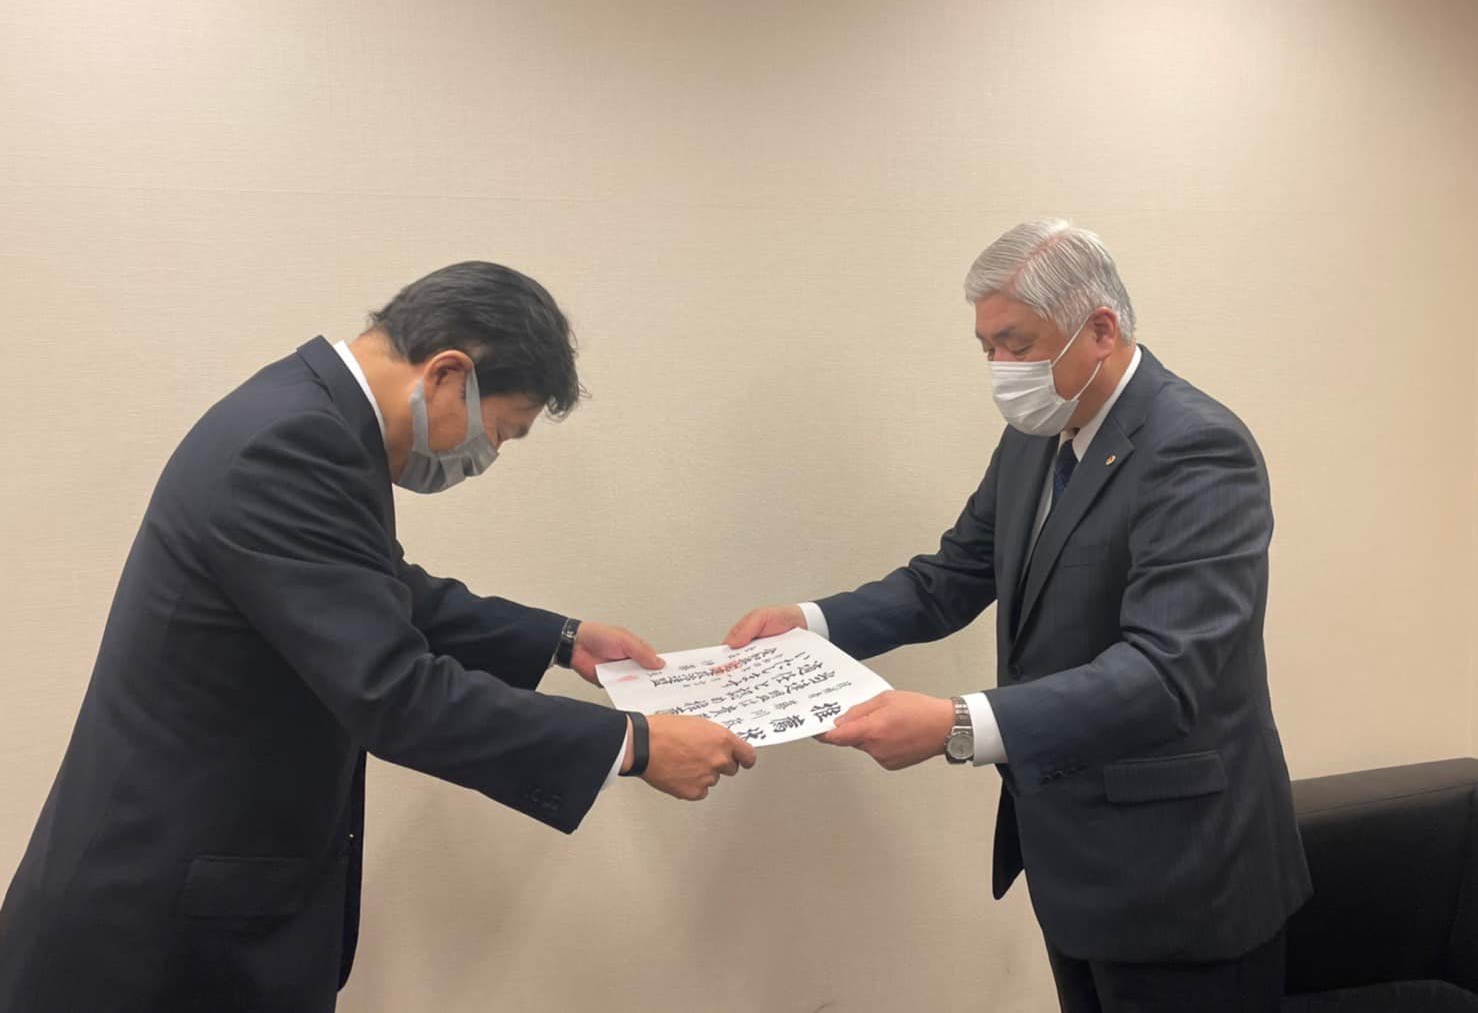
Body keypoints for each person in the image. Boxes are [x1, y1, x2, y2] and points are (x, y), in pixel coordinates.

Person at [0, 260, 755, 1012]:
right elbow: (395, 695)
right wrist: (633, 744)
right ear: (449, 375)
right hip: (153, 931)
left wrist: (561, 640)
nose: (487, 458)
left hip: (195, 887)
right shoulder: (293, 443)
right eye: (500, 431)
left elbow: (383, 587)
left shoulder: (305, 412)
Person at [725, 220, 1311, 1013]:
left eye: (1017, 344)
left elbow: (1167, 672)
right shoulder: (1035, 436)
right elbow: (948, 580)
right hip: (1073, 864)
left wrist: (957, 724)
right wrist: (812, 624)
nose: (1001, 370)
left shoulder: (1197, 448)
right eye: (987, 348)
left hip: (1186, 879)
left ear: (1099, 330)